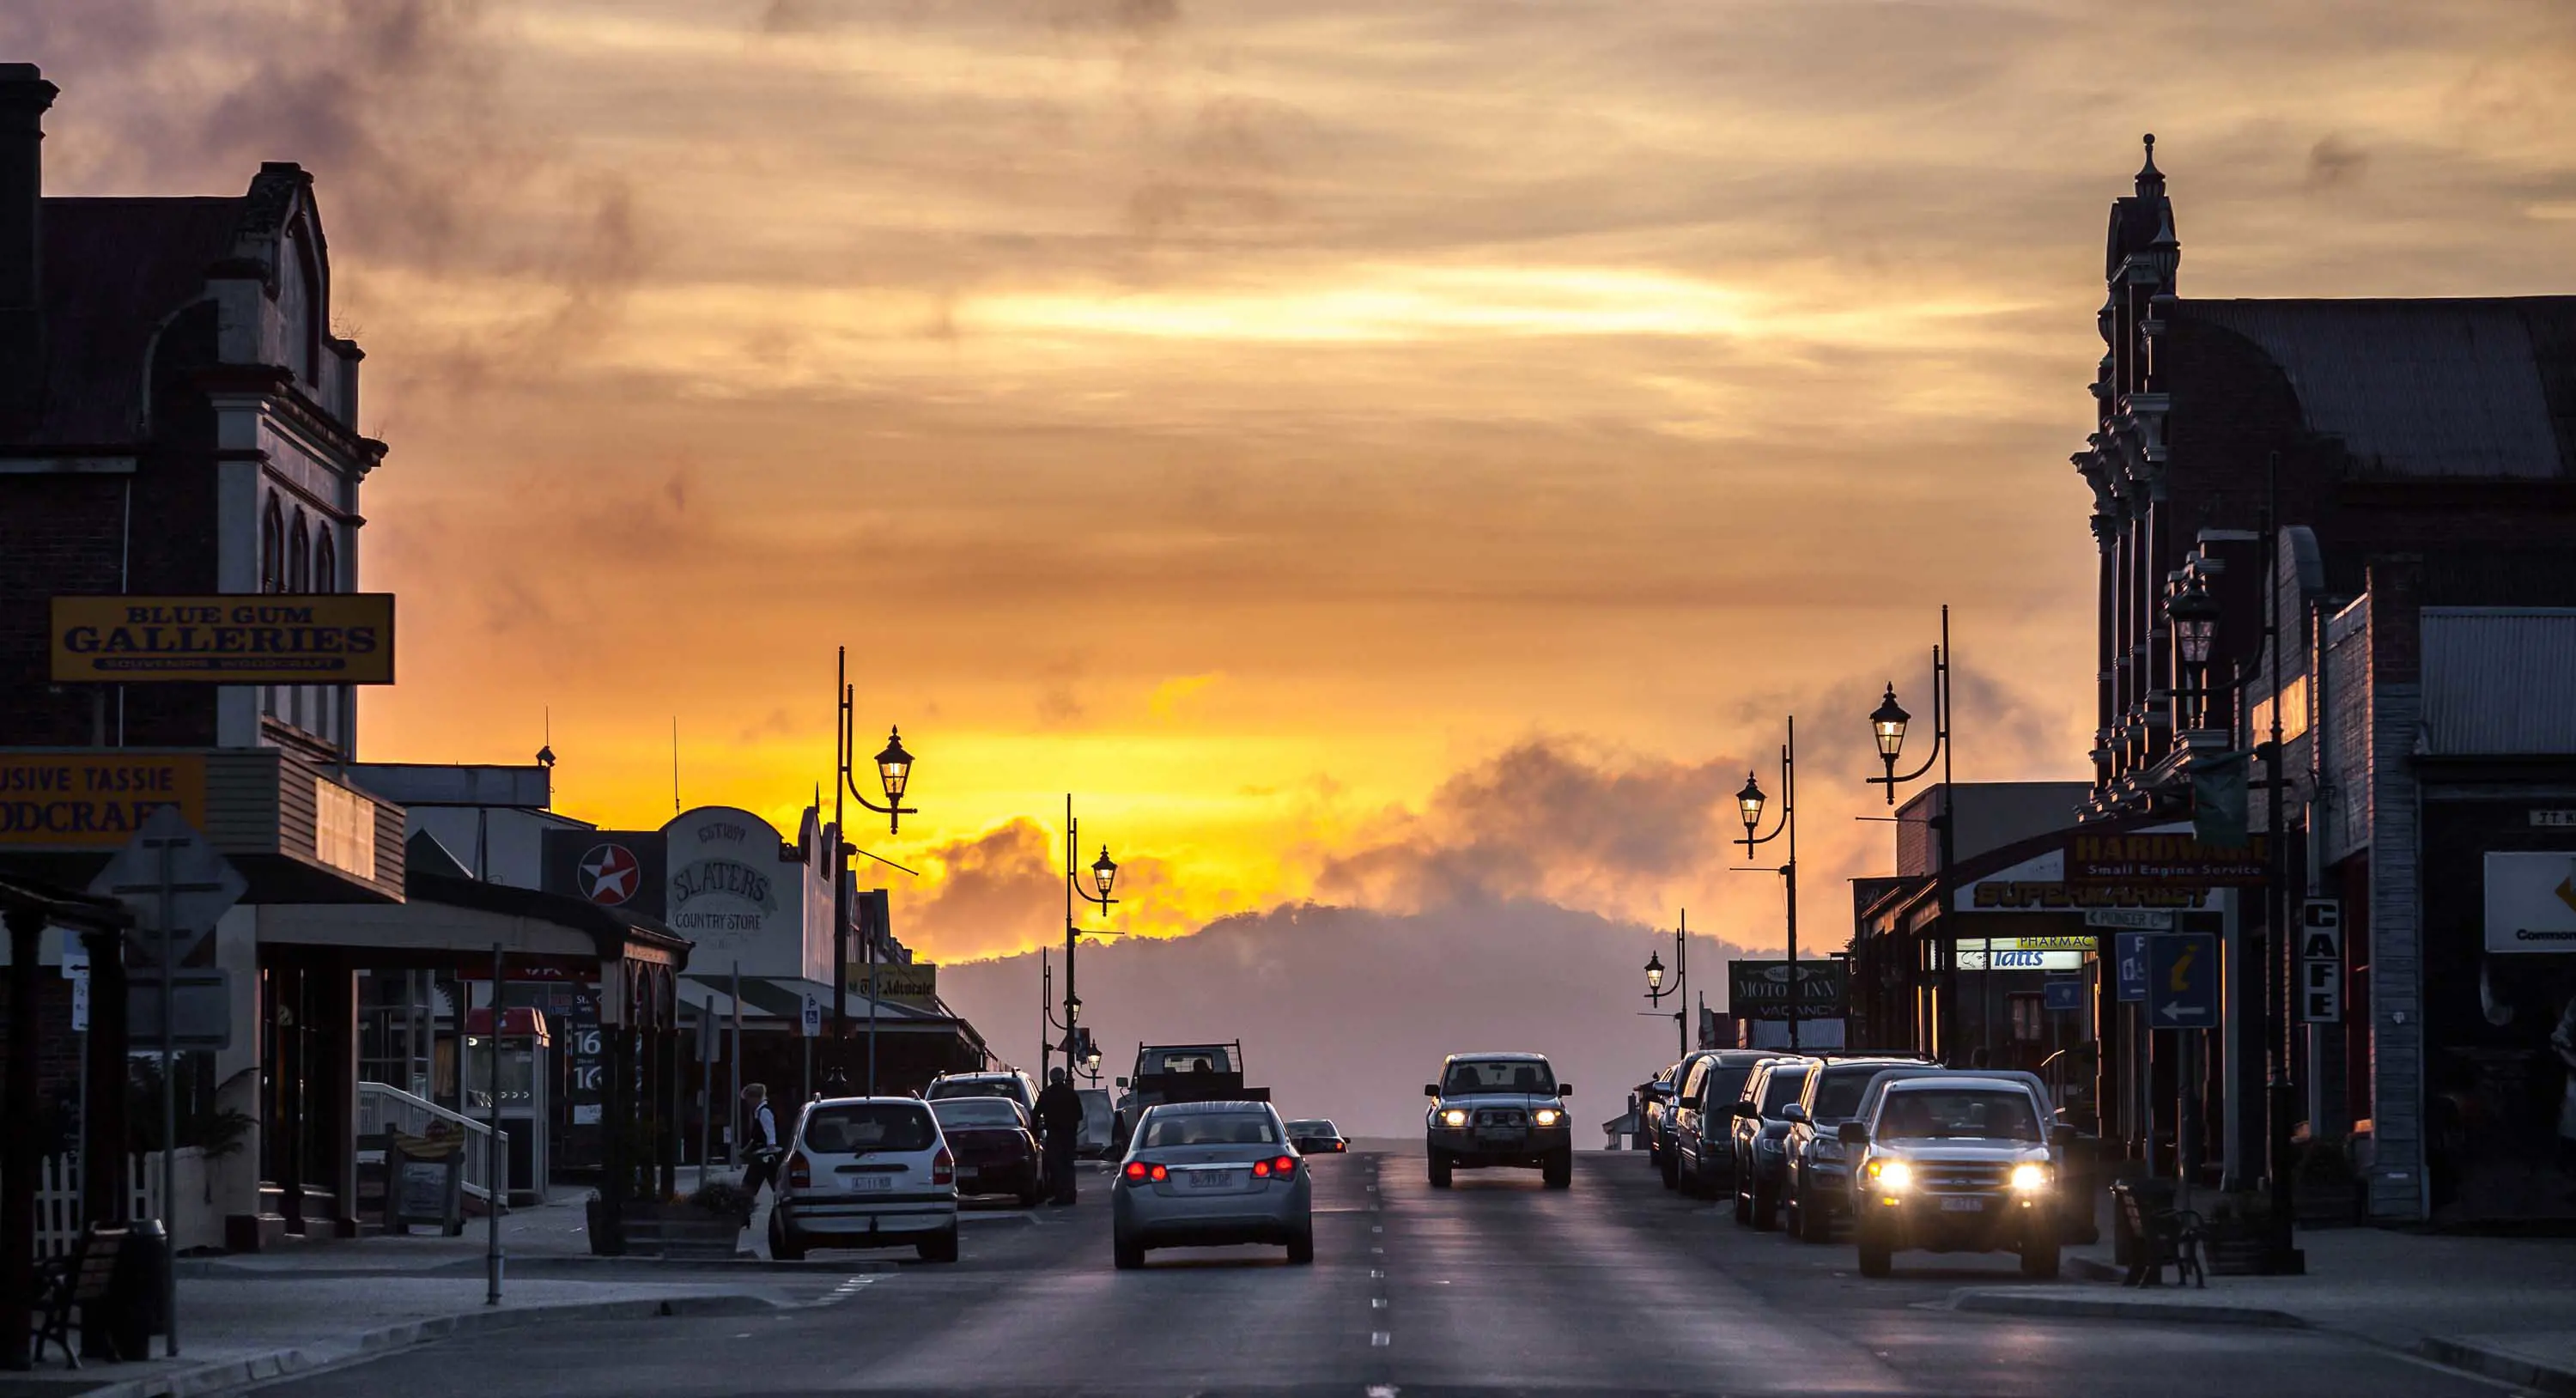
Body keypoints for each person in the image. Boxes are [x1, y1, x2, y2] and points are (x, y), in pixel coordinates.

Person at [1035, 1067, 1084, 1205]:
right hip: (1069, 1134)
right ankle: (1071, 1193)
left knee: (1056, 1165)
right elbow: (1079, 1114)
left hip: (1054, 1134)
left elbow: (1036, 1114)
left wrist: (1035, 1131)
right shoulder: (1071, 1094)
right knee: (1068, 1164)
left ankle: (1060, 1194)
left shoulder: (1046, 1094)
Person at [739, 1083, 782, 1213]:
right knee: (776, 1186)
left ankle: (743, 1212)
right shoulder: (759, 1112)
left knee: (749, 1186)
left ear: (754, 1098)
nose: (747, 1103)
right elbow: (757, 1136)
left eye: (748, 1099)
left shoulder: (764, 1112)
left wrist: (770, 1151)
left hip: (764, 1157)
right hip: (764, 1156)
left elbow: (770, 1133)